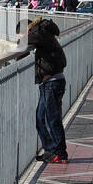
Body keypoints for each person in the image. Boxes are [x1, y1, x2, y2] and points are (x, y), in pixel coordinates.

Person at [27, 17, 69, 164]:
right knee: (40, 118)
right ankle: (51, 150)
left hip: (52, 83)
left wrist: (22, 38)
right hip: (50, 82)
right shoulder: (44, 33)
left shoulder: (40, 33)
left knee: (52, 119)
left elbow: (25, 43)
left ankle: (60, 153)